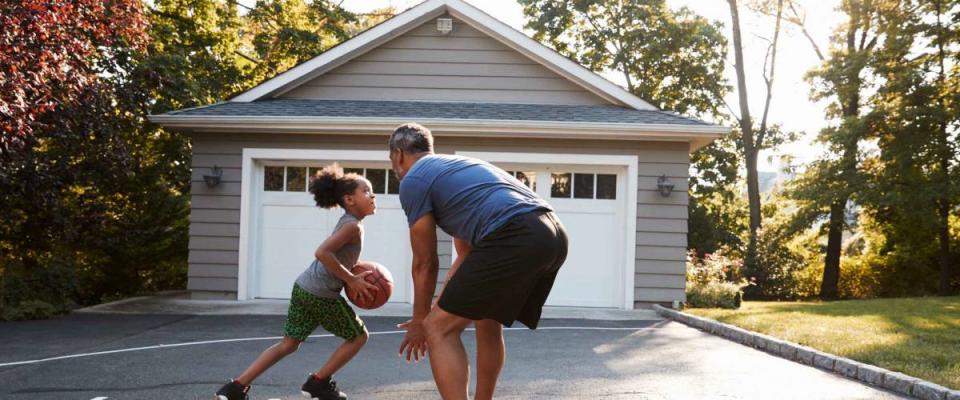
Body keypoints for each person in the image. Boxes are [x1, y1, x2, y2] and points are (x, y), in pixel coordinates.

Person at [389, 123, 569, 400]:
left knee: (437, 329)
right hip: (551, 234)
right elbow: (466, 254)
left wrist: (420, 320)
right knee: (486, 318)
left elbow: (425, 262)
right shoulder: (457, 168)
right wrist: (442, 302)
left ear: (399, 154)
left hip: (515, 235)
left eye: (391, 160)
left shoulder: (414, 180)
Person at [215, 165, 379, 400]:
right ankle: (318, 383)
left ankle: (235, 388)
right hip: (321, 294)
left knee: (288, 344)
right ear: (349, 199)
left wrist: (356, 270)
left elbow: (337, 255)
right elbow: (322, 252)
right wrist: (352, 279)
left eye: (372, 191)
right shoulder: (352, 225)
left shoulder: (349, 222)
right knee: (359, 337)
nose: (372, 196)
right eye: (366, 191)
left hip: (304, 287)